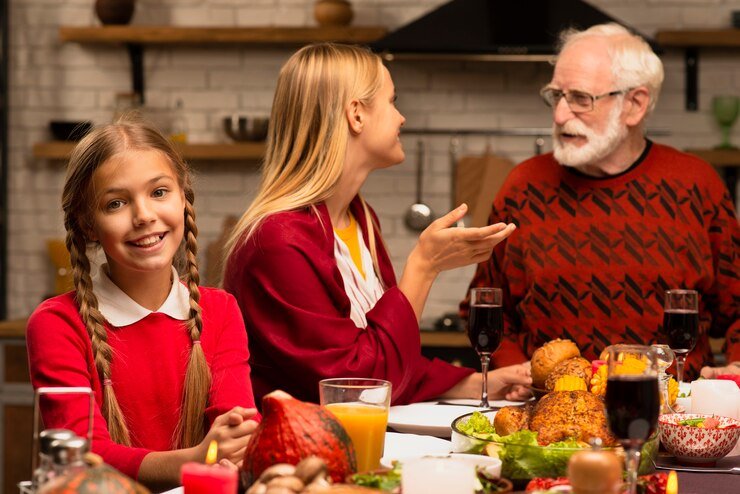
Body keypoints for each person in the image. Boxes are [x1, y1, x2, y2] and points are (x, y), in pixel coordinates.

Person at [223, 43, 531, 405]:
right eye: (392, 101)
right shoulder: (278, 242)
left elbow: (388, 355)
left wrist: (482, 381)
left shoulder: (361, 218)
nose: (401, 117)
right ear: (356, 115)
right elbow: (358, 385)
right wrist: (424, 266)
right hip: (299, 456)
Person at [463, 23, 739, 382]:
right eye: (556, 96)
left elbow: (736, 311)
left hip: (670, 419)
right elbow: (486, 305)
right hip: (547, 421)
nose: (560, 115)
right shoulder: (523, 187)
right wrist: (514, 373)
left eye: (580, 99)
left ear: (634, 105)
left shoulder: (697, 186)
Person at [26, 121, 259, 489]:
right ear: (87, 224)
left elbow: (235, 431)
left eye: (159, 192)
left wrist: (236, 438)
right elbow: (85, 456)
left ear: (183, 198)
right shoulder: (57, 323)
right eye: (116, 203)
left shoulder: (221, 311)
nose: (144, 215)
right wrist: (196, 460)